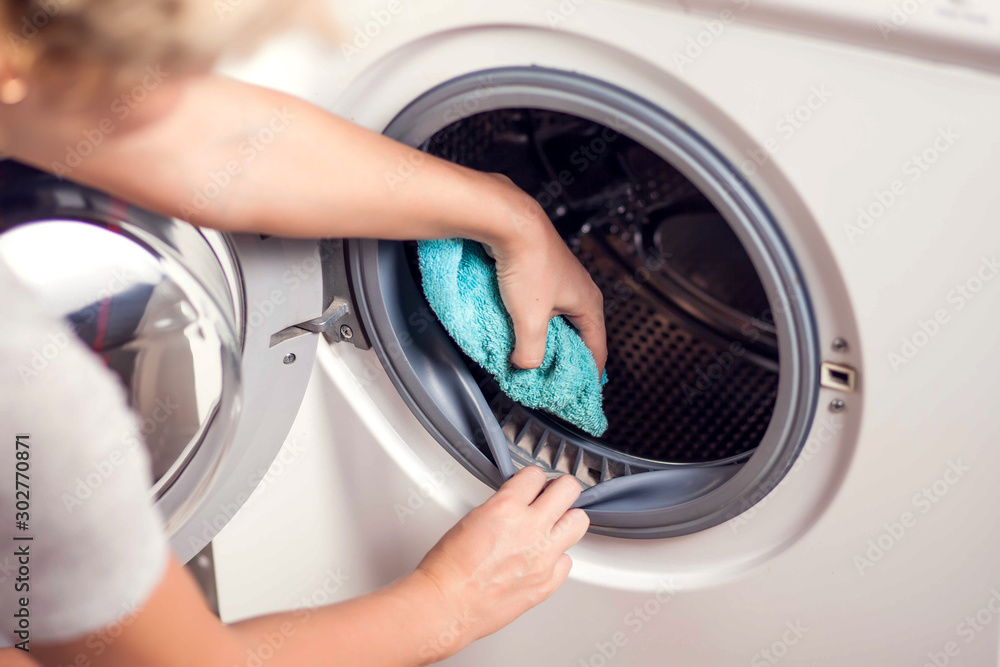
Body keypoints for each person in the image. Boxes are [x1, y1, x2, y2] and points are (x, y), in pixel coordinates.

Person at [0, 1, 607, 665]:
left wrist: (512, 217)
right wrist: (449, 601)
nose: (191, 89)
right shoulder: (29, 387)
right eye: (169, 67)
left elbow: (210, 145)